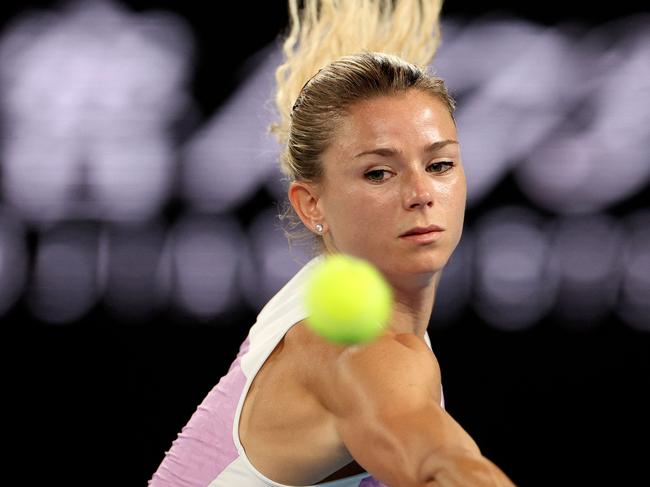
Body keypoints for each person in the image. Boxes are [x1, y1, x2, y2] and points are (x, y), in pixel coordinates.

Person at [149, 1, 517, 486]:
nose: (422, 194)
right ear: (311, 206)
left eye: (440, 164)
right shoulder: (359, 352)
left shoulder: (333, 292)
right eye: (379, 173)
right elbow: (441, 467)